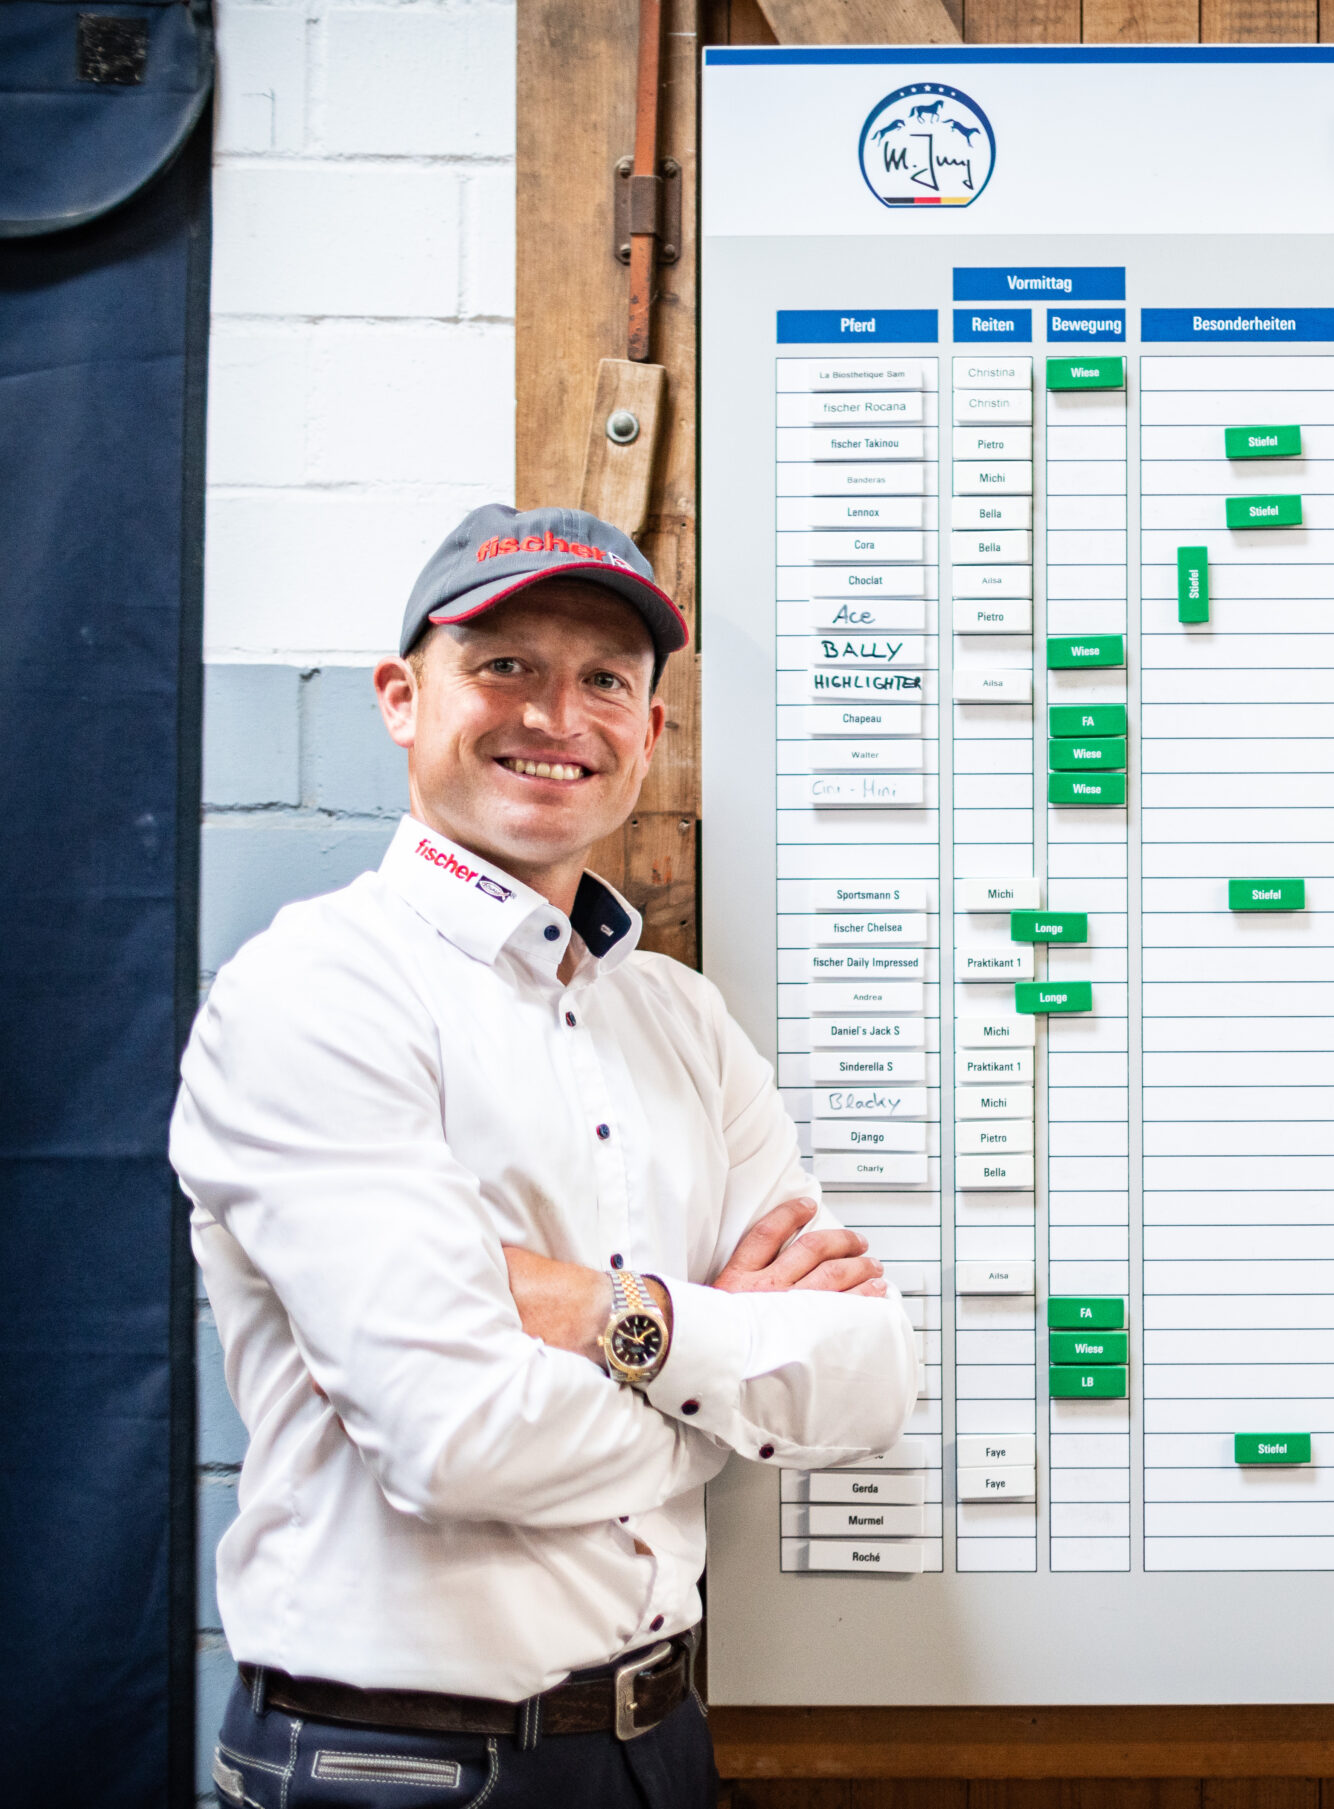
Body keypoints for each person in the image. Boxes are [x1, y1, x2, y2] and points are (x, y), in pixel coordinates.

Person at [173, 504, 920, 1808]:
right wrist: (720, 1396)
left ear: (651, 730)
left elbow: (863, 1380)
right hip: (396, 1767)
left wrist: (601, 1311)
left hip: (660, 1747)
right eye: (505, 664)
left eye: (604, 681)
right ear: (403, 698)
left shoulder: (683, 1020)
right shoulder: (315, 994)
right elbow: (458, 1441)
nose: (557, 715)